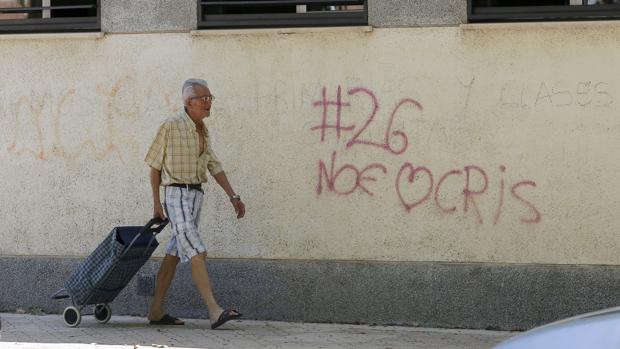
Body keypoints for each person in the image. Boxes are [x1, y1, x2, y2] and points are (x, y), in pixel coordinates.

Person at [144, 78, 246, 329]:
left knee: (174, 255)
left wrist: (233, 196)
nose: (209, 103)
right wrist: (157, 203)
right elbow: (154, 166)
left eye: (211, 98)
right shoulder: (171, 125)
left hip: (196, 196)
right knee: (197, 250)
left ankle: (155, 311)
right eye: (205, 98)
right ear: (189, 102)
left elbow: (213, 164)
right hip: (175, 194)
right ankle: (214, 311)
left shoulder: (202, 129)